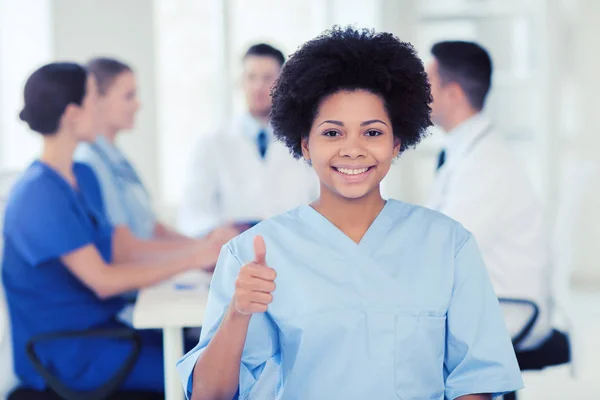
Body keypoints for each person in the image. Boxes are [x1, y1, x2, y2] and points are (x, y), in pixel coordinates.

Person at [177, 27, 523, 400]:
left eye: (372, 133)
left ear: (396, 143)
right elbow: (208, 395)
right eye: (332, 133)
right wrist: (238, 313)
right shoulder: (251, 254)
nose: (353, 150)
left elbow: (477, 383)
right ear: (305, 145)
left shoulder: (449, 246)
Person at [1, 62, 227, 394]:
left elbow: (121, 252)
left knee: (220, 355)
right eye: (94, 99)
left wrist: (201, 250)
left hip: (110, 331)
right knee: (212, 378)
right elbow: (104, 280)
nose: (100, 109)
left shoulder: (83, 176)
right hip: (73, 353)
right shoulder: (37, 194)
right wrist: (193, 258)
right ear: (72, 113)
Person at [424, 41, 553, 350]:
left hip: (507, 308)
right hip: (484, 297)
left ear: (453, 94)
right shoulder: (469, 150)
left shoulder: (485, 165)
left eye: (426, 84)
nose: (416, 94)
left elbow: (446, 250)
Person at [177, 43, 319, 238]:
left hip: (294, 247)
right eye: (251, 77)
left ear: (283, 84)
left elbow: (320, 199)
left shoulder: (306, 139)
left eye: (268, 78)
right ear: (241, 82)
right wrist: (217, 230)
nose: (258, 87)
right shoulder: (212, 143)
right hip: (234, 252)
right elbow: (194, 212)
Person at [74, 57, 193, 240]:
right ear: (96, 99)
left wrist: (205, 248)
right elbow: (121, 246)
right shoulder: (89, 161)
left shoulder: (116, 157)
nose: (138, 104)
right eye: (129, 96)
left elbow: (151, 227)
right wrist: (198, 254)